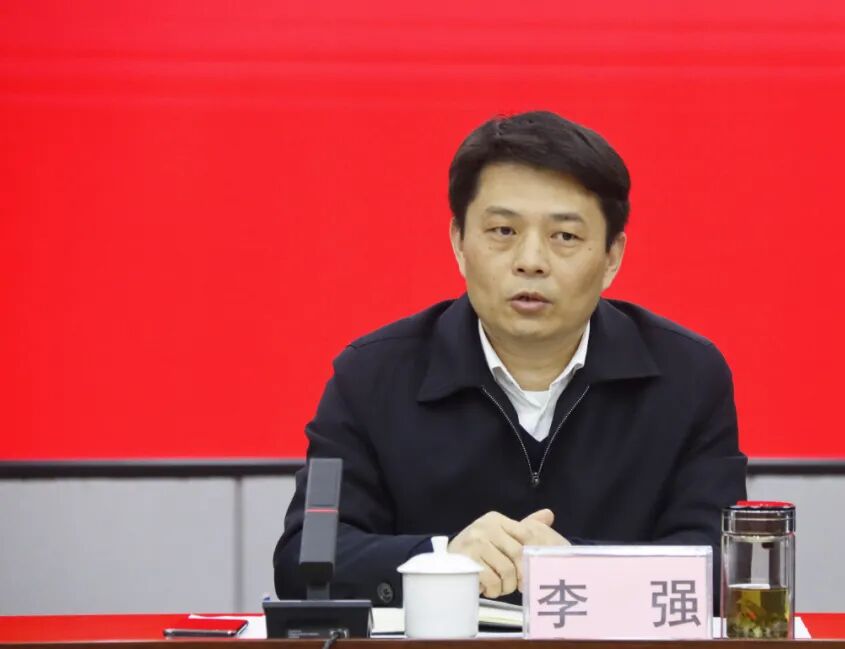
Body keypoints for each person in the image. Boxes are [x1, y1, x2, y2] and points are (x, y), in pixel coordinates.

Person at [273, 110, 747, 611]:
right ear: (459, 243)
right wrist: (442, 560)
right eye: (503, 230)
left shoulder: (688, 377)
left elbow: (723, 564)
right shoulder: (372, 376)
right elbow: (305, 560)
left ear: (612, 257)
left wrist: (576, 567)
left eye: (565, 237)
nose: (531, 261)